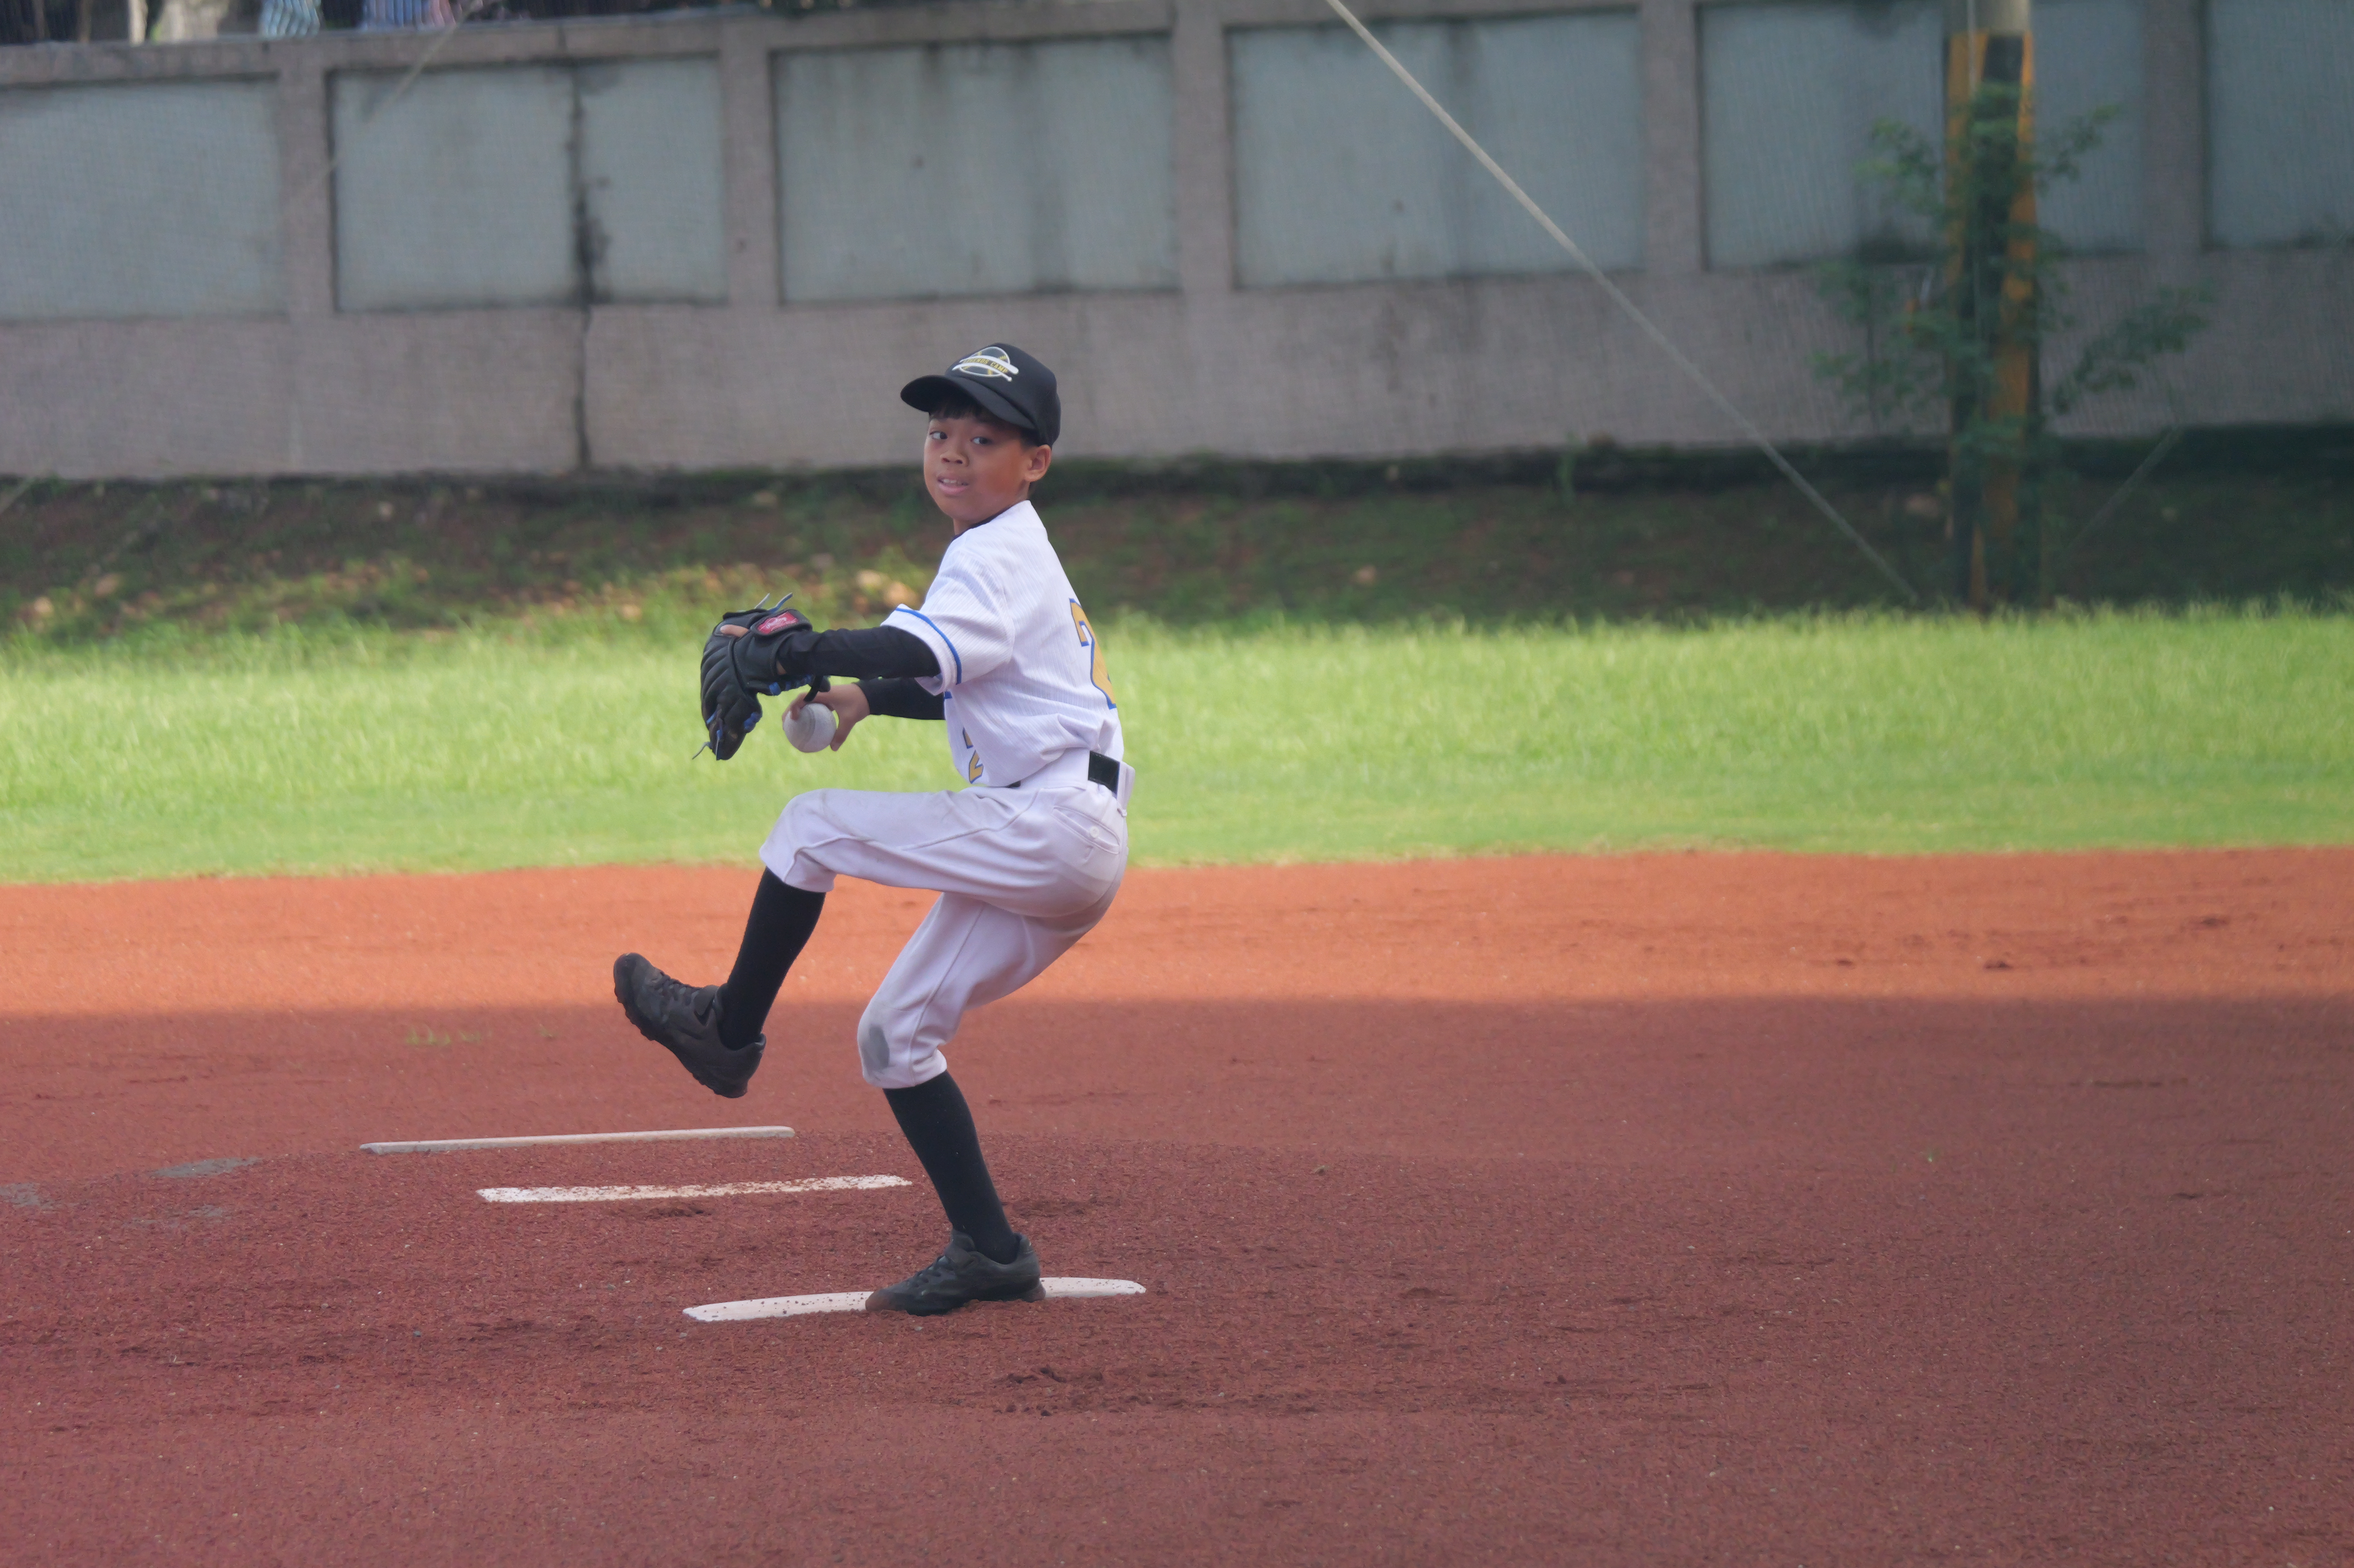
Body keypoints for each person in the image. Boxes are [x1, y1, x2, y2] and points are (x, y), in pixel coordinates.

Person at [612, 342, 1133, 1317]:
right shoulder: (1005, 556)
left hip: (1046, 820)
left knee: (809, 826)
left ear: (1035, 463)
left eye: (984, 438)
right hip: (1057, 828)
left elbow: (915, 646)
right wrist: (854, 696)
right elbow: (956, 682)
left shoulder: (997, 552)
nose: (952, 453)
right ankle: (990, 1248)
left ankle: (727, 1030)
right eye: (940, 433)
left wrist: (801, 651)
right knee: (896, 1036)